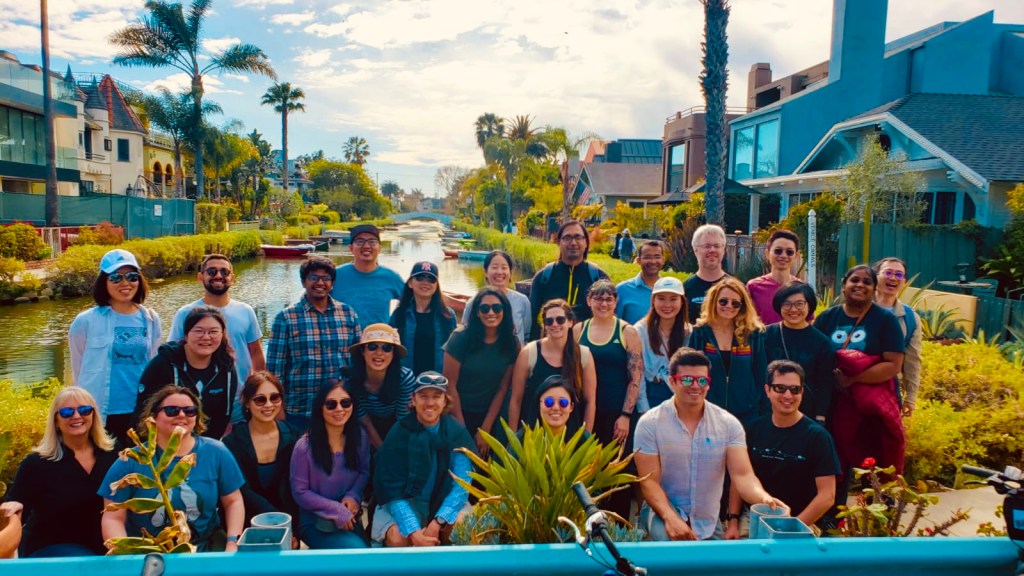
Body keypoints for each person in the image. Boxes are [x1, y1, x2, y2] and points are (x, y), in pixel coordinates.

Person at [634, 348, 784, 541]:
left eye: (702, 380)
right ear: (672, 382)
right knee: (672, 553)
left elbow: (743, 475)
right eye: (687, 380)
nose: (695, 386)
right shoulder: (650, 423)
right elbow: (648, 481)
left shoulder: (728, 424)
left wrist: (764, 498)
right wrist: (670, 518)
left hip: (708, 521)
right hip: (662, 511)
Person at [100, 386, 245, 552]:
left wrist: (232, 542)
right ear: (153, 417)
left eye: (190, 411)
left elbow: (233, 501)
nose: (181, 415)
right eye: (171, 410)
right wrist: (125, 555)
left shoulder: (216, 452)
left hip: (205, 547)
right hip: (148, 551)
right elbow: (113, 518)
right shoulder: (130, 460)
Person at [726, 361, 840, 537]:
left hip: (801, 522)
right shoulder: (753, 430)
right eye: (780, 388)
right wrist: (733, 520)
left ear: (802, 392)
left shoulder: (818, 437)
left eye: (795, 389)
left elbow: (827, 496)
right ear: (767, 390)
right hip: (752, 519)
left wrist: (791, 529)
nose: (788, 395)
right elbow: (739, 478)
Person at [2, 387, 116, 557]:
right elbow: (15, 506)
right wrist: (11, 508)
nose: (77, 416)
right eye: (67, 412)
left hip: (103, 548)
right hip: (50, 547)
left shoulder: (113, 454)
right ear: (56, 420)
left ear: (94, 415)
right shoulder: (37, 463)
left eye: (84, 410)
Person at [814, 265, 906, 475]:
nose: (860, 285)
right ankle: (835, 505)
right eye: (854, 280)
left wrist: (853, 379)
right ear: (843, 285)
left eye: (867, 282)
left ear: (874, 289)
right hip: (832, 403)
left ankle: (879, 505)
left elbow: (893, 364)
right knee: (835, 462)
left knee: (875, 463)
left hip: (870, 406)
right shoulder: (827, 318)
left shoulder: (885, 320)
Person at [68, 248, 162, 444]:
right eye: (116, 278)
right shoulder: (85, 321)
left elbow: (153, 366)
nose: (125, 283)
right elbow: (78, 369)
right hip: (99, 411)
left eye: (131, 276)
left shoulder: (151, 319)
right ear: (104, 281)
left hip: (138, 410)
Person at [371, 372, 475, 547]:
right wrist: (414, 531)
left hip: (444, 500)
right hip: (406, 502)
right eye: (423, 396)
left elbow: (461, 485)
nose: (430, 403)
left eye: (436, 396)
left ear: (445, 400)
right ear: (413, 399)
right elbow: (392, 489)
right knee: (398, 538)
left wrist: (437, 522)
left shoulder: (457, 434)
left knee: (461, 527)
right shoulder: (399, 433)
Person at [267, 256, 362, 431]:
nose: (320, 283)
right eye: (313, 277)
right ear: (304, 282)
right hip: (301, 410)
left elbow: (358, 361)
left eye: (325, 278)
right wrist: (278, 408)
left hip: (339, 409)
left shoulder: (348, 314)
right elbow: (275, 370)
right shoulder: (286, 318)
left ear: (332, 284)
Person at [168, 253, 264, 422]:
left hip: (239, 400)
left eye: (224, 272)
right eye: (211, 271)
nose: (218, 276)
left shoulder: (245, 311)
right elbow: (173, 356)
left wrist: (259, 389)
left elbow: (255, 352)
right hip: (196, 400)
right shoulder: (185, 313)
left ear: (232, 278)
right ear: (200, 277)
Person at [290, 379, 371, 549]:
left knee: (366, 555)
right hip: (314, 522)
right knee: (356, 551)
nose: (339, 409)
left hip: (348, 516)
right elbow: (300, 492)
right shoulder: (304, 447)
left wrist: (353, 496)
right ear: (321, 408)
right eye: (331, 404)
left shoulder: (360, 437)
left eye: (345, 403)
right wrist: (336, 510)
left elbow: (364, 471)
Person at [137, 307, 239, 439]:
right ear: (186, 335)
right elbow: (144, 414)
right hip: (163, 444)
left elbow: (222, 416)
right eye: (198, 331)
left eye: (213, 332)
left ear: (222, 335)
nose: (206, 337)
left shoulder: (226, 368)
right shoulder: (163, 364)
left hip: (204, 445)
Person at [222, 371, 300, 532]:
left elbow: (296, 487)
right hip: (246, 523)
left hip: (289, 521)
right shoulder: (232, 442)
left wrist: (291, 527)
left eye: (275, 398)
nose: (269, 405)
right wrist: (275, 519)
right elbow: (242, 491)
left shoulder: (294, 437)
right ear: (247, 403)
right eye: (260, 400)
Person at [445, 287, 520, 454]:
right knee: (461, 459)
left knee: (486, 463)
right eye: (484, 308)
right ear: (477, 312)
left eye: (497, 308)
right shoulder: (460, 338)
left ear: (504, 311)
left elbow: (503, 387)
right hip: (458, 410)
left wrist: (485, 428)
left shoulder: (511, 343)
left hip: (489, 412)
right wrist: (462, 430)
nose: (491, 312)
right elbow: (450, 386)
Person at [509, 299, 597, 434]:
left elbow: (590, 401)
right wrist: (513, 437)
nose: (555, 324)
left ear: (570, 322)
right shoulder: (529, 352)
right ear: (544, 325)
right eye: (549, 321)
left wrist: (585, 437)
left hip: (570, 433)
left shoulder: (583, 355)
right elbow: (516, 399)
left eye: (560, 320)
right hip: (533, 433)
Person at [689, 277, 768, 426]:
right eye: (723, 301)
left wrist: (761, 411)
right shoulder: (700, 332)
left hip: (747, 414)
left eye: (735, 303)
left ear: (742, 306)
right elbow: (693, 372)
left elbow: (761, 374)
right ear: (714, 302)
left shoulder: (752, 334)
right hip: (707, 412)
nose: (729, 306)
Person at [573, 281, 641, 448]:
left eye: (609, 299)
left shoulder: (628, 332)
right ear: (589, 301)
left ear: (616, 302)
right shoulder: (578, 330)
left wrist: (625, 415)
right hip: (585, 409)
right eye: (598, 299)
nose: (604, 304)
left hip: (616, 410)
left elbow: (635, 378)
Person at [763, 282, 835, 425]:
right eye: (787, 304)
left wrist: (821, 416)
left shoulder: (821, 342)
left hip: (805, 412)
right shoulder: (764, 335)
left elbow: (825, 382)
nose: (793, 309)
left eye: (799, 304)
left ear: (809, 305)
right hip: (767, 411)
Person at [528, 221, 610, 340]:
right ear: (559, 242)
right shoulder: (544, 277)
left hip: (589, 346)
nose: (573, 243)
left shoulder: (598, 278)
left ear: (586, 242)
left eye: (578, 237)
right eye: (567, 238)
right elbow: (532, 319)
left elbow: (610, 318)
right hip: (553, 346)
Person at [344, 324, 417, 449]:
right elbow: (364, 420)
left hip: (397, 425)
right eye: (372, 347)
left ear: (393, 353)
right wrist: (382, 450)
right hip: (365, 428)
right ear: (362, 351)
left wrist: (392, 451)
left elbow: (403, 419)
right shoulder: (351, 379)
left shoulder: (405, 378)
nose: (379, 353)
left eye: (386, 348)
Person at [874, 257, 923, 418]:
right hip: (851, 385)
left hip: (888, 389)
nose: (893, 278)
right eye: (887, 272)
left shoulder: (910, 318)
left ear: (904, 281)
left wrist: (910, 398)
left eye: (899, 275)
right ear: (876, 277)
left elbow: (913, 360)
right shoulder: (855, 308)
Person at [634, 277, 690, 413]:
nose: (667, 304)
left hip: (681, 393)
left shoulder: (689, 332)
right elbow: (637, 373)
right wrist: (643, 408)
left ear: (682, 302)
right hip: (652, 392)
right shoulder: (639, 330)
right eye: (661, 298)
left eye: (673, 299)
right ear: (653, 301)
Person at [331, 224, 406, 327]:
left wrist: (394, 324)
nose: (366, 246)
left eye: (372, 242)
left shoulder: (391, 277)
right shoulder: (335, 275)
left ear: (379, 248)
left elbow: (411, 302)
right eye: (360, 241)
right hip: (344, 340)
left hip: (378, 340)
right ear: (350, 248)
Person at [390, 261, 456, 376]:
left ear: (436, 285)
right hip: (406, 380)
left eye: (431, 279)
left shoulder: (448, 316)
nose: (425, 282)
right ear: (410, 283)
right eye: (420, 278)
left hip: (437, 381)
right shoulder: (399, 315)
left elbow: (454, 352)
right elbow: (390, 349)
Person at [461, 251, 532, 345]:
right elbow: (464, 333)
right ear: (485, 272)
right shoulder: (473, 302)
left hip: (515, 357)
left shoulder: (522, 301)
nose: (499, 272)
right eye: (494, 267)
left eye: (504, 268)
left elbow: (526, 335)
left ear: (510, 272)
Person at [747, 229, 802, 324]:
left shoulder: (802, 288)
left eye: (789, 252)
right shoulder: (753, 287)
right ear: (767, 254)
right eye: (778, 251)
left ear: (796, 256)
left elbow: (809, 323)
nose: (783, 255)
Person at [684, 224, 731, 322]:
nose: (712, 250)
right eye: (707, 246)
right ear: (695, 250)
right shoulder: (685, 289)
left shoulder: (736, 287)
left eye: (717, 246)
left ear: (723, 250)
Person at [616, 240, 666, 324]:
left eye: (657, 257)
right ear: (638, 261)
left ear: (663, 260)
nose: (653, 261)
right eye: (647, 257)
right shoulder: (622, 290)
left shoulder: (670, 289)